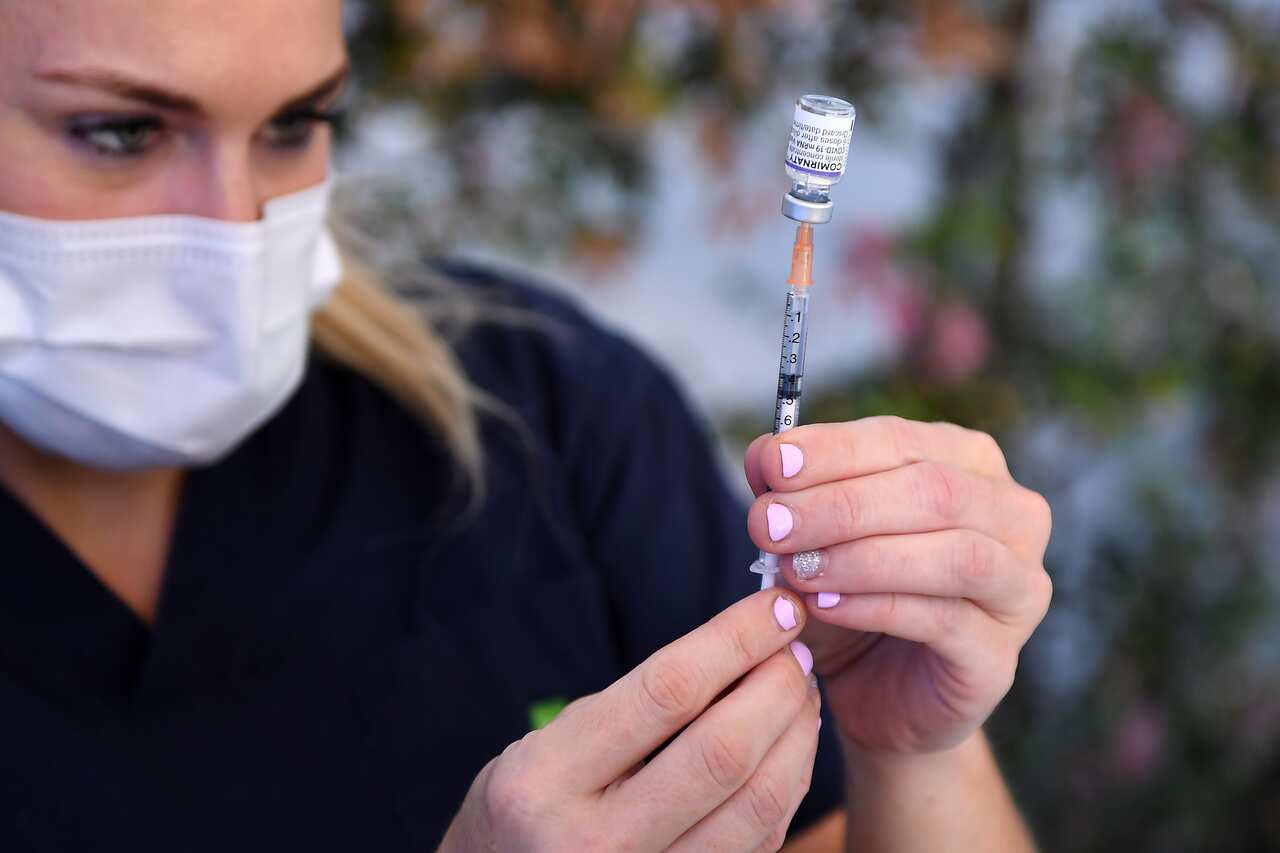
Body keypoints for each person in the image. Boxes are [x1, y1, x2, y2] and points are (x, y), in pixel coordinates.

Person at [0, 1, 1053, 851]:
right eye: (120, 132)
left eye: (292, 123)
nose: (235, 233)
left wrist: (913, 757)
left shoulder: (540, 407)